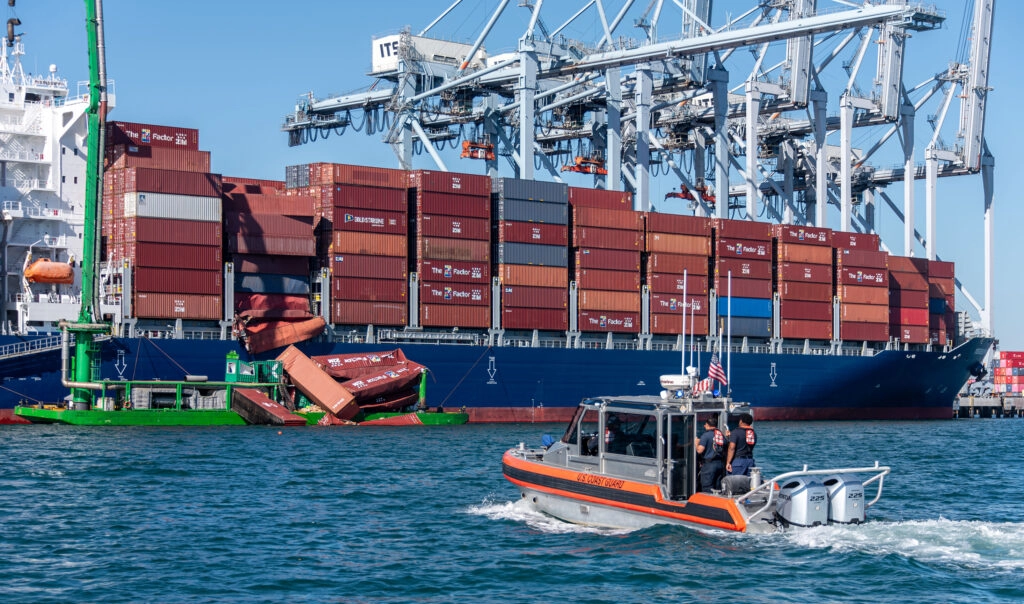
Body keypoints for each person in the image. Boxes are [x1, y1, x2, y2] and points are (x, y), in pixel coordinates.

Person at [696, 415, 725, 493]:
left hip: (709, 464)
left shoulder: (705, 436)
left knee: (707, 486)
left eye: (705, 424)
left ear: (708, 425)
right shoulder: (720, 435)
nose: (704, 426)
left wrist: (696, 443)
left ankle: (707, 503)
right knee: (718, 486)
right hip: (720, 464)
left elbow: (700, 450)